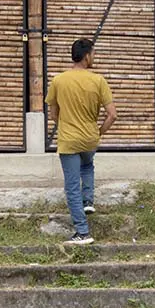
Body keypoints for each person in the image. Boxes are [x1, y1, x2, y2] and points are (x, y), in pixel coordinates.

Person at [45, 37, 116, 246]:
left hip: (69, 140)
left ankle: (83, 232)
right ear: (86, 56)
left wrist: (67, 124)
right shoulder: (98, 80)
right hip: (89, 138)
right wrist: (99, 132)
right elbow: (112, 115)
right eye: (93, 54)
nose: (93, 58)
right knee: (88, 165)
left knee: (72, 185)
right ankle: (88, 201)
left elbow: (53, 113)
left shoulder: (59, 80)